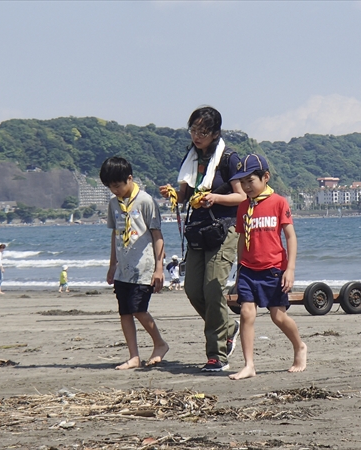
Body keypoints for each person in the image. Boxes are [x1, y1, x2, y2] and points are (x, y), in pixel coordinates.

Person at [159, 106, 245, 372]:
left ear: (216, 133)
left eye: (203, 131)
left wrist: (215, 198)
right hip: (198, 229)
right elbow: (185, 195)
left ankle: (216, 355)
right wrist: (174, 194)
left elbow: (242, 196)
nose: (197, 136)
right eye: (193, 130)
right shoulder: (192, 157)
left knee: (214, 287)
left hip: (225, 228)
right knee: (193, 289)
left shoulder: (229, 158)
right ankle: (229, 327)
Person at [227, 154, 307, 380]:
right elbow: (242, 239)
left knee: (278, 316)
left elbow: (290, 237)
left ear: (265, 177)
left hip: (274, 269)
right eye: (242, 182)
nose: (246, 186)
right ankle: (249, 364)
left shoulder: (279, 202)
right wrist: (239, 269)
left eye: (250, 181)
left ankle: (299, 346)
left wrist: (289, 269)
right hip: (248, 270)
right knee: (246, 313)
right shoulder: (244, 207)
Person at [100, 156, 169, 370]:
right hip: (123, 268)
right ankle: (134, 356)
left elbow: (157, 236)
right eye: (111, 187)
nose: (115, 190)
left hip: (144, 267)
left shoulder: (146, 201)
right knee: (124, 312)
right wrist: (112, 265)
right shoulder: (114, 204)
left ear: (129, 178)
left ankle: (159, 343)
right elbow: (116, 235)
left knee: (139, 309)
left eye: (118, 185)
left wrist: (159, 268)